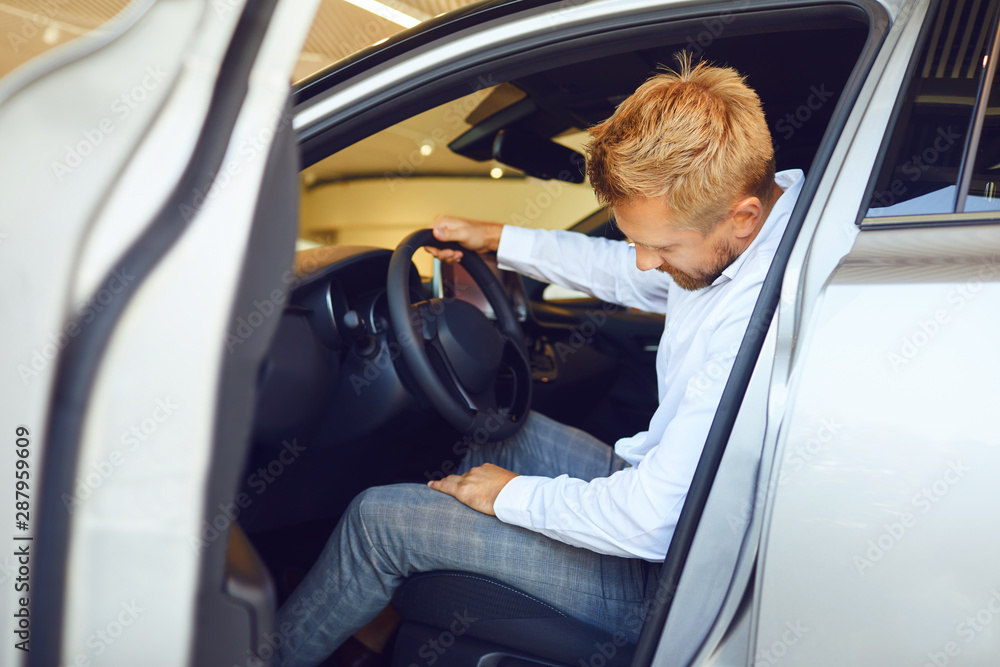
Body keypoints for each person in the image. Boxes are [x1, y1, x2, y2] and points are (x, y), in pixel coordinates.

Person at [274, 55, 804, 667]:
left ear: (742, 216)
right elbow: (630, 277)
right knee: (499, 428)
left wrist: (508, 497)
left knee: (377, 520)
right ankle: (375, 627)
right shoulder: (759, 223)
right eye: (638, 242)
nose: (643, 262)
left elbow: (650, 521)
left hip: (663, 577)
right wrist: (500, 238)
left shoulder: (762, 314)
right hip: (666, 502)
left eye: (659, 247)